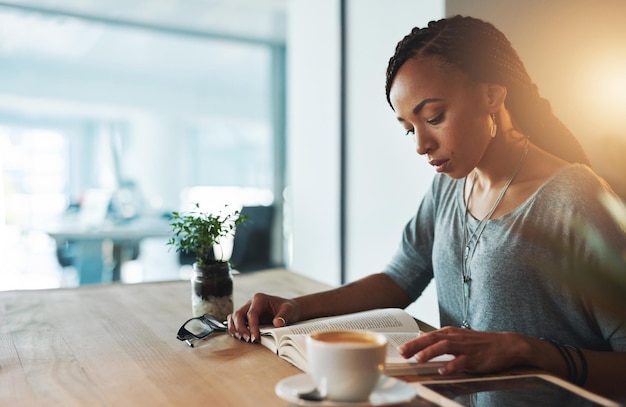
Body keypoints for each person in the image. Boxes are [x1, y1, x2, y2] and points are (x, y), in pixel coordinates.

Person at [228, 15, 626, 399]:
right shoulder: (450, 188)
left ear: (492, 95)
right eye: (408, 129)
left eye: (434, 117)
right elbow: (398, 280)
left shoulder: (577, 200)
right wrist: (296, 307)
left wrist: (531, 352)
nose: (421, 145)